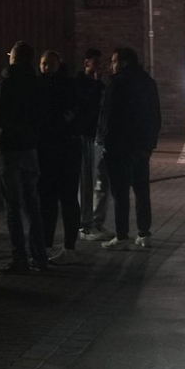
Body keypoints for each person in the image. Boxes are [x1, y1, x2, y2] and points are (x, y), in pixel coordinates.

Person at [98, 47, 162, 250]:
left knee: (120, 192)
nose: (112, 65)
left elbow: (108, 116)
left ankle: (122, 235)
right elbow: (155, 116)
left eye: (114, 61)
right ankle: (144, 233)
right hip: (141, 147)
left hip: (118, 147)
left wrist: (104, 140)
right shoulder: (147, 82)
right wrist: (149, 144)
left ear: (123, 63)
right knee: (142, 191)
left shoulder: (116, 84)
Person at [0, 41, 47, 272]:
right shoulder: (37, 84)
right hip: (30, 148)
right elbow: (42, 115)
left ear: (13, 58)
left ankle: (19, 258)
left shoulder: (6, 84)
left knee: (13, 206)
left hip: (10, 149)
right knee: (33, 204)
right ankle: (40, 256)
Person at [35, 50, 82, 264]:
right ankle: (50, 244)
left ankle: (65, 246)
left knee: (63, 200)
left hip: (60, 149)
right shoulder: (50, 85)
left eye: (50, 64)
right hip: (56, 149)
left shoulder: (61, 86)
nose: (47, 68)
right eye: (44, 64)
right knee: (51, 201)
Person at [75, 48, 112, 242]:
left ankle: (97, 222)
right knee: (87, 181)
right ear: (86, 63)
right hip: (86, 136)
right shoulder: (81, 84)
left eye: (100, 63)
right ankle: (85, 225)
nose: (99, 67)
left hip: (100, 137)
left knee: (103, 181)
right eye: (94, 63)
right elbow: (86, 109)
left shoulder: (101, 85)